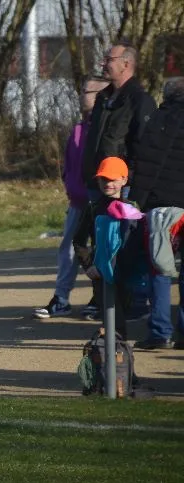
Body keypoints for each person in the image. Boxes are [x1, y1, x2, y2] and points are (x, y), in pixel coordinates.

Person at [81, 40, 157, 320]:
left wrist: (130, 181)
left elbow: (144, 146)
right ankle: (103, 300)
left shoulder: (140, 100)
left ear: (126, 63)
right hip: (97, 182)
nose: (104, 63)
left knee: (124, 246)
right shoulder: (104, 98)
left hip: (122, 186)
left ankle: (134, 303)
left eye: (109, 59)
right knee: (99, 242)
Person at [32, 77, 109, 319]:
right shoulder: (77, 129)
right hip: (77, 202)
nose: (81, 96)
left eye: (86, 91)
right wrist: (69, 184)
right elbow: (68, 164)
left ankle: (99, 298)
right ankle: (61, 298)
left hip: (98, 201)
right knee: (68, 250)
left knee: (99, 250)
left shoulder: (105, 128)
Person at [129, 77, 184, 350]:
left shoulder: (161, 119)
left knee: (160, 270)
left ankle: (161, 331)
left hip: (164, 205)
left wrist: (136, 201)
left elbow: (148, 163)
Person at [73, 157, 135, 339]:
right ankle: (115, 352)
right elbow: (79, 240)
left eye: (113, 179)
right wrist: (88, 265)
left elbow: (137, 241)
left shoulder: (131, 208)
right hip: (100, 272)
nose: (108, 184)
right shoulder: (93, 208)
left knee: (123, 312)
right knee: (112, 318)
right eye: (103, 179)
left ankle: (119, 351)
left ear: (124, 180)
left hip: (126, 271)